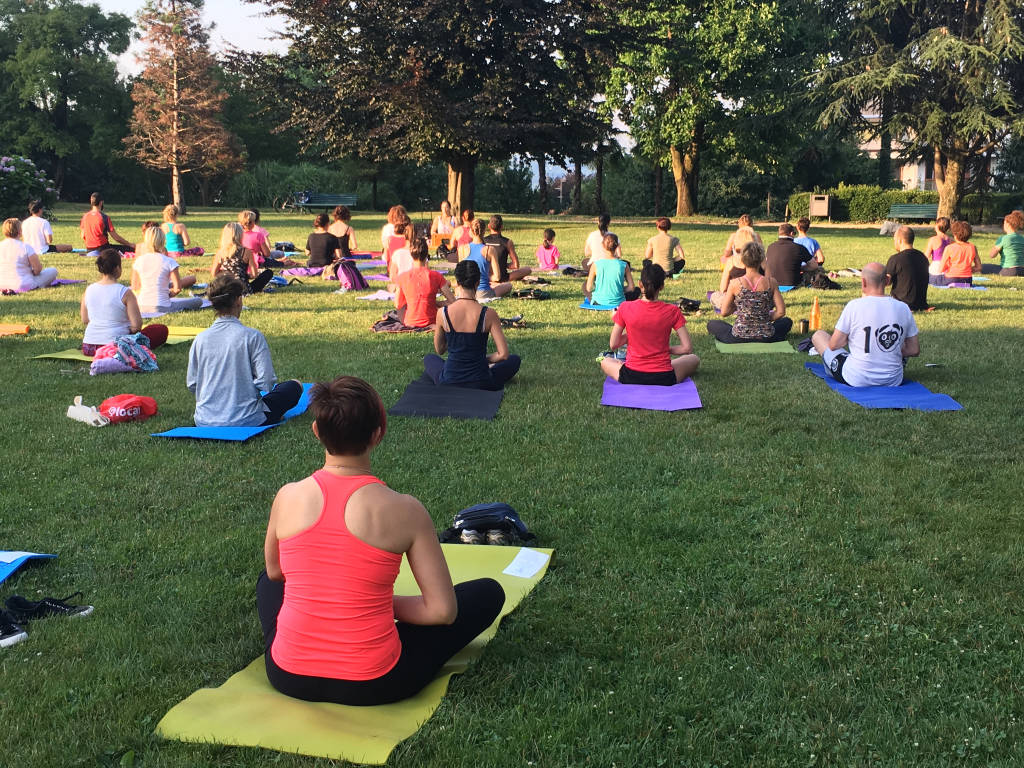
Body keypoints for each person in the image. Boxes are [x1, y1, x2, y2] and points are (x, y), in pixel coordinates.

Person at [257, 374, 506, 706]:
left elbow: (276, 573)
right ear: (378, 434)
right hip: (375, 683)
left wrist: (340, 596)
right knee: (488, 593)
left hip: (287, 675)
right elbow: (442, 612)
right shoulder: (405, 509)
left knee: (267, 582)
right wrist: (377, 604)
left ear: (317, 432)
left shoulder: (287, 496)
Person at [187, 273, 302, 427]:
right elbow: (266, 381)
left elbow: (192, 383)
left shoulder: (200, 339)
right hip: (246, 419)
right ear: (238, 300)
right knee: (295, 385)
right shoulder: (252, 336)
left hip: (205, 419)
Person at [811, 262, 920, 387]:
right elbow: (914, 350)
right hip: (893, 380)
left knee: (819, 335)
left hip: (856, 378)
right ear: (887, 280)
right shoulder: (903, 308)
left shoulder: (854, 306)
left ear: (863, 282)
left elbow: (834, 345)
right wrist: (887, 351)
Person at [422, 260, 520, 390]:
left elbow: (440, 350)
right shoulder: (489, 314)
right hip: (481, 380)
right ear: (478, 283)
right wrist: (483, 360)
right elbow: (503, 355)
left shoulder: (443, 313)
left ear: (457, 283)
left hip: (450, 379)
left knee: (430, 359)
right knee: (514, 360)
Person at [601, 263, 700, 384]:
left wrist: (631, 337)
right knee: (694, 358)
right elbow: (687, 348)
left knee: (605, 361)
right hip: (664, 377)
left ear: (640, 284)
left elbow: (614, 344)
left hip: (632, 375)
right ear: (662, 286)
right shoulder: (672, 311)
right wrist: (665, 350)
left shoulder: (625, 307)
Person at [81, 249, 168, 355]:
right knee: (160, 330)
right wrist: (127, 330)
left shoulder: (89, 290)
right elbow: (136, 326)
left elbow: (85, 320)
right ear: (118, 268)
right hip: (117, 347)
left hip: (89, 346)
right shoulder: (124, 292)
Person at [707, 242, 792, 343]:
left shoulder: (735, 283)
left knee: (712, 324)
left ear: (743, 260)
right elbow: (781, 311)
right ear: (761, 260)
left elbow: (724, 312)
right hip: (766, 336)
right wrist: (763, 319)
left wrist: (738, 310)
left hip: (738, 336)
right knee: (787, 322)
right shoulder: (771, 282)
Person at [131, 225, 203, 314]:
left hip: (141, 306)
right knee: (198, 301)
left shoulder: (139, 261)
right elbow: (177, 288)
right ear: (163, 241)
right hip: (162, 306)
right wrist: (167, 295)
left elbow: (135, 287)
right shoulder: (169, 261)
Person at [394, 237, 455, 327]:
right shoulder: (436, 276)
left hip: (409, 321)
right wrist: (436, 303)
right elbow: (452, 301)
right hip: (432, 320)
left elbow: (398, 304)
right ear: (427, 254)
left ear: (411, 254)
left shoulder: (402, 277)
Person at [211, 222, 274, 295]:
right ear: (240, 235)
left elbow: (214, 273)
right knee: (268, 273)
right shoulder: (247, 252)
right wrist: (243, 275)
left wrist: (227, 275)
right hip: (243, 289)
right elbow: (254, 274)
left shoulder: (220, 253)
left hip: (226, 287)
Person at [0, 218, 58, 292]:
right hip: (23, 284)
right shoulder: (26, 247)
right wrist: (31, 273)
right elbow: (38, 269)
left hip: (2, 283)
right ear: (20, 232)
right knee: (53, 271)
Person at [584, 234, 638, 308]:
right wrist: (619, 289)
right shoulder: (624, 265)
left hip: (598, 302)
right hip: (618, 302)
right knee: (637, 290)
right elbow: (631, 287)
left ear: (602, 246)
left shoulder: (596, 264)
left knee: (584, 285)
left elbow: (589, 287)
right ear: (616, 246)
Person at [885, 225, 929, 311]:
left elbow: (886, 282)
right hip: (921, 304)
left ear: (900, 240)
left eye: (894, 240)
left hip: (900, 304)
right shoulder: (923, 257)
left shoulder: (895, 259)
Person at [465, 219, 511, 299]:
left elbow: (461, 274)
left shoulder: (463, 249)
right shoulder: (489, 250)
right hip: (482, 292)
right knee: (508, 285)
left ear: (471, 231)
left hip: (466, 292)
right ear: (484, 231)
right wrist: (485, 277)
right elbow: (497, 277)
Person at [765, 223, 819, 287]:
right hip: (791, 282)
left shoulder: (770, 247)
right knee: (819, 269)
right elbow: (814, 265)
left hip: (771, 283)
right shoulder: (799, 248)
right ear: (791, 233)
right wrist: (800, 268)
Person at [483, 215, 531, 283]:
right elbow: (515, 265)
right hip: (502, 277)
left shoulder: (483, 241)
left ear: (488, 226)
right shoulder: (507, 242)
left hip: (486, 276)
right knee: (528, 269)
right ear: (502, 227)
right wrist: (502, 264)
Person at [936, 220, 980, 285]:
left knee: (934, 279)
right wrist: (965, 270)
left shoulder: (949, 248)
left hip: (951, 278)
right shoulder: (973, 247)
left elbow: (940, 269)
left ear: (955, 234)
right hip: (967, 280)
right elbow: (978, 267)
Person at [989, 211, 1024, 277]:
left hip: (1009, 271)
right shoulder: (1022, 238)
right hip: (1022, 270)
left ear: (1008, 224)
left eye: (1004, 223)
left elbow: (992, 255)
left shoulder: (1003, 238)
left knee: (983, 267)